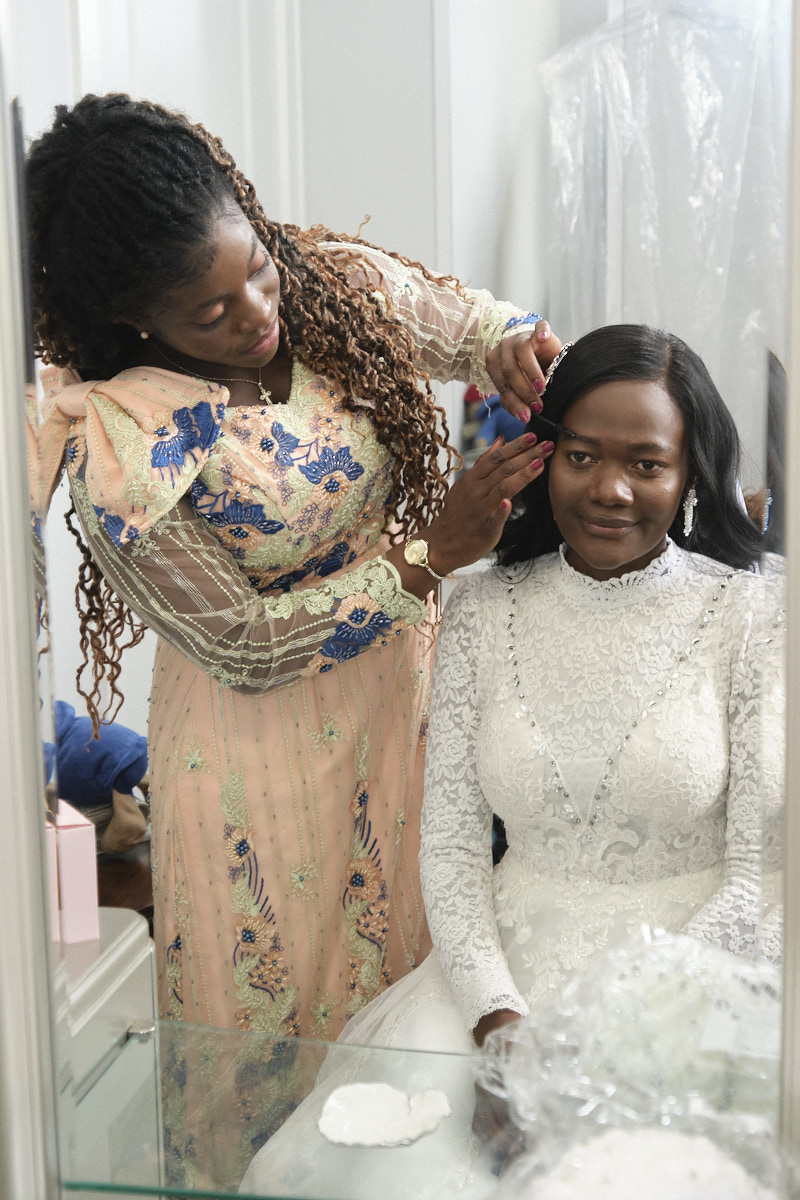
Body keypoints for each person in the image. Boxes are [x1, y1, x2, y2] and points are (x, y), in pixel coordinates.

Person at [26, 92, 562, 1052]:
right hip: (254, 760)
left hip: (402, 713)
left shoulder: (330, 286)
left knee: (420, 1014)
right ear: (131, 318)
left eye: (256, 270)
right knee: (280, 1035)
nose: (258, 313)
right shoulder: (120, 439)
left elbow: (473, 329)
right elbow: (241, 643)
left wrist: (514, 347)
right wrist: (431, 556)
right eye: (213, 312)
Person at [240, 324, 784, 1200]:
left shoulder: (753, 615)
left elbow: (760, 875)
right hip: (499, 984)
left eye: (646, 464)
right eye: (581, 455)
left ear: (689, 475)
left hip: (689, 991)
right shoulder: (481, 606)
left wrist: (614, 1033)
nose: (609, 489)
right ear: (540, 457)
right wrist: (499, 1029)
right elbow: (453, 846)